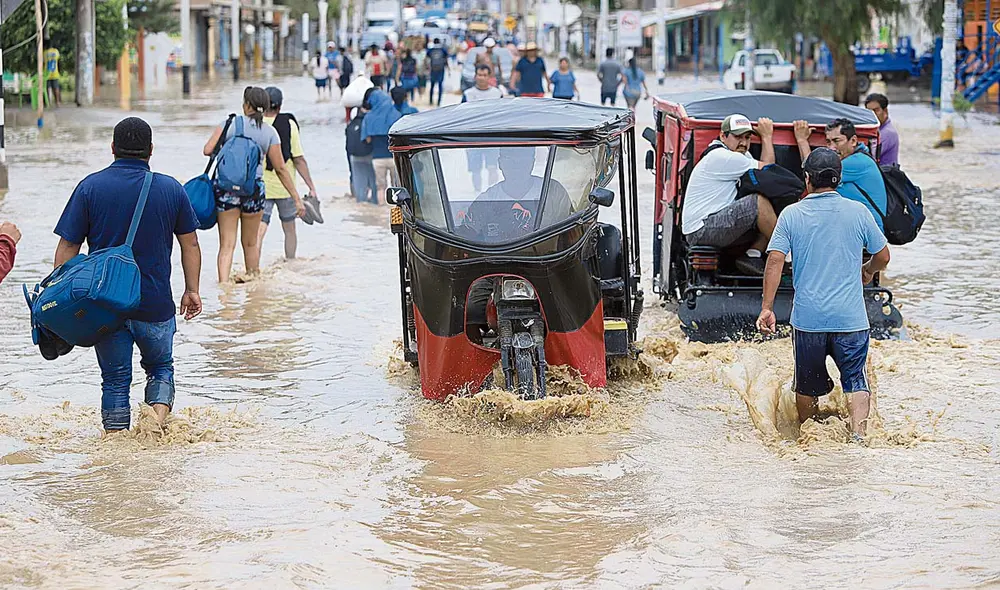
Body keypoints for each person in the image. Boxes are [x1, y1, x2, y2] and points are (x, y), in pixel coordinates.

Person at [53, 117, 203, 432]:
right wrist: (192, 289)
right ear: (150, 150)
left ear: (112, 148)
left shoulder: (90, 187)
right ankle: (155, 424)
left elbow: (68, 247)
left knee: (114, 381)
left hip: (106, 308)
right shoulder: (171, 189)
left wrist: (61, 297)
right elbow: (190, 243)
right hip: (156, 304)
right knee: (161, 368)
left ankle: (116, 447)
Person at [757, 147, 890, 439]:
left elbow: (775, 260)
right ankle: (858, 436)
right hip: (851, 320)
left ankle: (808, 437)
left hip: (809, 320)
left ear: (807, 179)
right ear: (839, 180)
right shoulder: (858, 212)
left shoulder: (792, 214)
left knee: (806, 384)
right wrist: (867, 269)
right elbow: (883, 256)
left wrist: (767, 307)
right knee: (856, 381)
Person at [202, 87, 302, 282]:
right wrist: (296, 198)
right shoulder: (269, 133)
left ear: (246, 105)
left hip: (226, 190)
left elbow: (207, 150)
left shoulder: (229, 124)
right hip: (254, 191)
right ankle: (253, 286)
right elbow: (281, 168)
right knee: (250, 244)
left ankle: (224, 292)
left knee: (227, 245)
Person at [681, 114, 777, 275]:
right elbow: (769, 171)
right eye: (738, 137)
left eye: (747, 138)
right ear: (723, 136)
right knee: (758, 202)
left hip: (711, 224)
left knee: (771, 207)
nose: (744, 143)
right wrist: (767, 137)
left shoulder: (740, 155)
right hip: (701, 229)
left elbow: (765, 179)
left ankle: (752, 255)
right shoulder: (722, 156)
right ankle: (789, 257)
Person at [794, 118, 887, 233]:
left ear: (853, 141)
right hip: (854, 226)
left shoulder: (858, 162)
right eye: (828, 142)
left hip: (867, 231)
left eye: (836, 141)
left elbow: (814, 171)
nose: (831, 147)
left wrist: (802, 140)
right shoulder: (854, 158)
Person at [259, 87, 312, 260]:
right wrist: (311, 187)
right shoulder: (289, 124)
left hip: (260, 187)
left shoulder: (256, 123)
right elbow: (298, 158)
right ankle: (290, 262)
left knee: (259, 231)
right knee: (289, 230)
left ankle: (253, 267)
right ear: (280, 106)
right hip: (286, 187)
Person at [462, 64, 505, 192]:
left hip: (492, 138)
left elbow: (503, 116)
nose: (482, 78)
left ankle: (491, 193)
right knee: (475, 170)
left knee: (492, 167)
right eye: (479, 75)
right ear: (475, 76)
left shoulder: (497, 94)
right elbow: (461, 116)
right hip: (473, 138)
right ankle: (477, 193)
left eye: (485, 75)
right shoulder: (468, 95)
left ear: (489, 77)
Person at [362, 90, 402, 203]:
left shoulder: (368, 118)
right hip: (394, 159)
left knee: (381, 188)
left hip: (377, 158)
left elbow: (367, 140)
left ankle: (381, 210)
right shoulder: (396, 115)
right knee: (397, 188)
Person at [347, 100, 378, 204]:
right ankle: (374, 201)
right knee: (373, 180)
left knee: (359, 182)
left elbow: (347, 147)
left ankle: (361, 201)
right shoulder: (369, 121)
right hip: (369, 155)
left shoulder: (350, 125)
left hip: (354, 157)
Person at [864, 93, 899, 166]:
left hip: (886, 174)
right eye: (869, 111)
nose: (872, 115)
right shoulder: (875, 130)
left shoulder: (887, 133)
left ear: (885, 111)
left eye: (876, 110)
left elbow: (870, 157)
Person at [426, 38, 449, 106]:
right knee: (440, 85)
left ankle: (430, 101)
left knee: (432, 85)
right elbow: (446, 58)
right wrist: (449, 69)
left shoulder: (431, 50)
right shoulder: (442, 49)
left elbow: (427, 57)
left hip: (433, 69)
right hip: (441, 69)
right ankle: (439, 102)